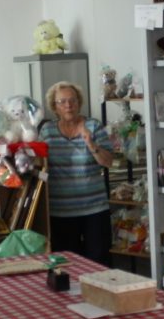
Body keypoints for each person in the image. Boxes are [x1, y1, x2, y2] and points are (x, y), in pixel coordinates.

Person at [40, 81, 114, 266]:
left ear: (79, 102)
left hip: (94, 210)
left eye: (72, 100)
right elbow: (40, 164)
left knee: (98, 262)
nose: (68, 105)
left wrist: (90, 143)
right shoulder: (47, 131)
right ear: (54, 106)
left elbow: (108, 162)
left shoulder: (93, 126)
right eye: (62, 101)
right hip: (60, 211)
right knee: (66, 265)